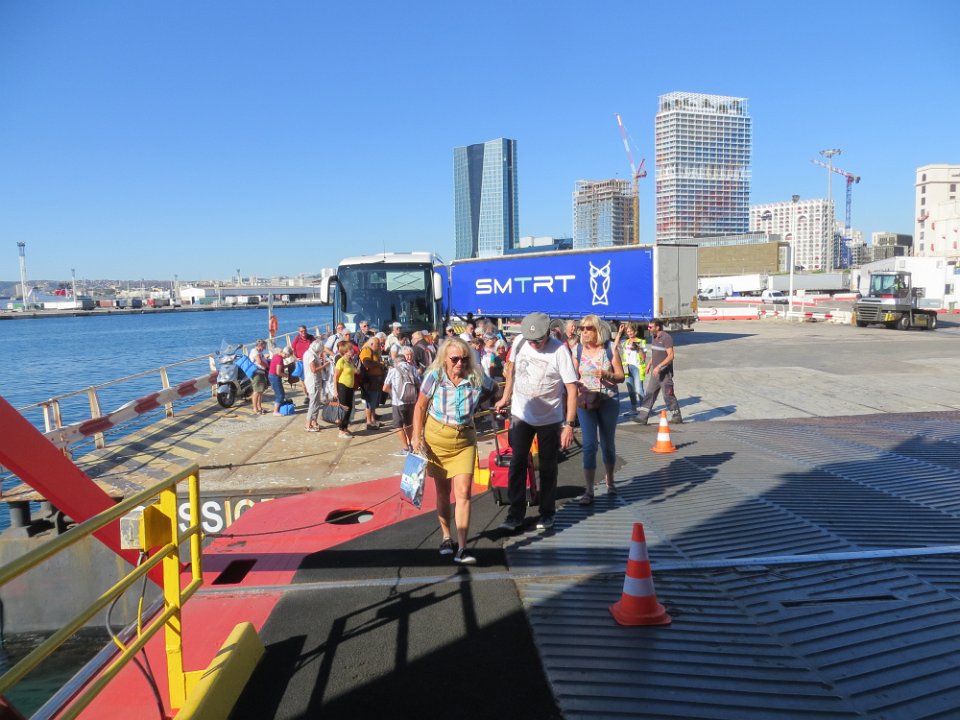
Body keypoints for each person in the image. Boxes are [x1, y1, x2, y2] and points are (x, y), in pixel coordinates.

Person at [412, 338, 498, 565]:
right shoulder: (435, 376)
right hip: (437, 440)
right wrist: (416, 437)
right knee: (443, 492)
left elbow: (494, 388)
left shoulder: (476, 376)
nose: (460, 363)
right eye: (455, 359)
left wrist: (476, 404)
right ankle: (446, 537)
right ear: (445, 359)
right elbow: (420, 406)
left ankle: (462, 548)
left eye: (464, 358)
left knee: (463, 492)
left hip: (464, 440)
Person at [494, 312, 578, 532]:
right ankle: (515, 513)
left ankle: (547, 512)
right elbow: (511, 370)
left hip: (549, 418)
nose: (533, 344)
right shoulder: (520, 342)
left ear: (548, 334)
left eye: (538, 340)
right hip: (522, 414)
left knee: (548, 465)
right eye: (530, 340)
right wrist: (505, 397)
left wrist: (569, 425)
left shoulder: (559, 351)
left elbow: (571, 389)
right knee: (517, 463)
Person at [572, 315, 625, 504]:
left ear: (598, 330)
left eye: (589, 328)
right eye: (582, 328)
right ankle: (589, 490)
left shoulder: (610, 349)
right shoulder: (577, 350)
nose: (584, 332)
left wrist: (607, 374)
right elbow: (572, 377)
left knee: (607, 443)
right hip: (586, 402)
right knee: (589, 445)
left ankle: (610, 481)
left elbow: (621, 376)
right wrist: (577, 386)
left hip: (608, 401)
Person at [633, 319, 682, 425]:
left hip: (665, 373)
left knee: (668, 395)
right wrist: (649, 364)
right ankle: (642, 417)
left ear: (658, 327)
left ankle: (676, 416)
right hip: (655, 373)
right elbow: (655, 353)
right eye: (648, 326)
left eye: (651, 327)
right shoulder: (654, 337)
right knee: (649, 393)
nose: (648, 328)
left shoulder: (666, 338)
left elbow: (671, 356)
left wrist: (659, 366)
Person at [382, 345, 420, 454]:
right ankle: (411, 445)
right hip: (411, 401)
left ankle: (405, 448)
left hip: (398, 402)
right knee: (409, 424)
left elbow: (385, 388)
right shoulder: (413, 369)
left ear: (396, 362)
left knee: (398, 425)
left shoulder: (393, 370)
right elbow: (419, 385)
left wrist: (393, 393)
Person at [618, 322, 647, 416]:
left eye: (631, 331)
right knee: (630, 390)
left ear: (635, 331)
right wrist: (619, 332)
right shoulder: (625, 342)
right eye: (628, 331)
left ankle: (644, 410)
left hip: (637, 368)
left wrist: (638, 349)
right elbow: (616, 344)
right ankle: (634, 409)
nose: (629, 333)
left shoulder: (641, 341)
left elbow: (644, 357)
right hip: (627, 368)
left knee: (639, 389)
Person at [359, 336, 386, 430]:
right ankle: (369, 422)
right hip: (370, 381)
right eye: (377, 344)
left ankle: (373, 420)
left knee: (374, 402)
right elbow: (366, 363)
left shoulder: (374, 351)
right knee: (370, 402)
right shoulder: (366, 350)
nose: (379, 346)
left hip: (376, 381)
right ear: (371, 344)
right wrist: (379, 364)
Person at [333, 339, 357, 439]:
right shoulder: (341, 361)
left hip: (350, 387)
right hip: (343, 386)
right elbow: (335, 377)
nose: (352, 350)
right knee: (344, 409)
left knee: (350, 408)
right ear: (345, 351)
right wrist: (335, 390)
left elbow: (355, 371)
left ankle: (345, 427)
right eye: (350, 349)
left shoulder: (350, 360)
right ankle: (341, 430)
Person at [302, 339, 325, 431]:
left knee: (316, 402)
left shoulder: (308, 353)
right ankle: (308, 424)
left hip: (313, 380)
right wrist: (324, 365)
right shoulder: (311, 355)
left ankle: (314, 422)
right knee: (313, 403)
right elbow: (313, 370)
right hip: (313, 381)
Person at [268, 346, 293, 414]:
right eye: (287, 356)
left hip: (272, 376)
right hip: (274, 377)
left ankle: (279, 408)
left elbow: (279, 366)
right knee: (280, 395)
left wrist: (287, 366)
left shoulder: (276, 355)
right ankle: (275, 411)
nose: (286, 358)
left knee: (280, 393)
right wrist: (287, 375)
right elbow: (278, 372)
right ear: (286, 354)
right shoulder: (279, 359)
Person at [248, 339, 269, 415]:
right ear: (260, 345)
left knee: (261, 391)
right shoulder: (255, 351)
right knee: (256, 391)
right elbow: (259, 361)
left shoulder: (259, 352)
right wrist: (267, 366)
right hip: (257, 373)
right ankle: (255, 408)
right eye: (264, 346)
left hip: (261, 372)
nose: (264, 348)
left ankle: (259, 407)